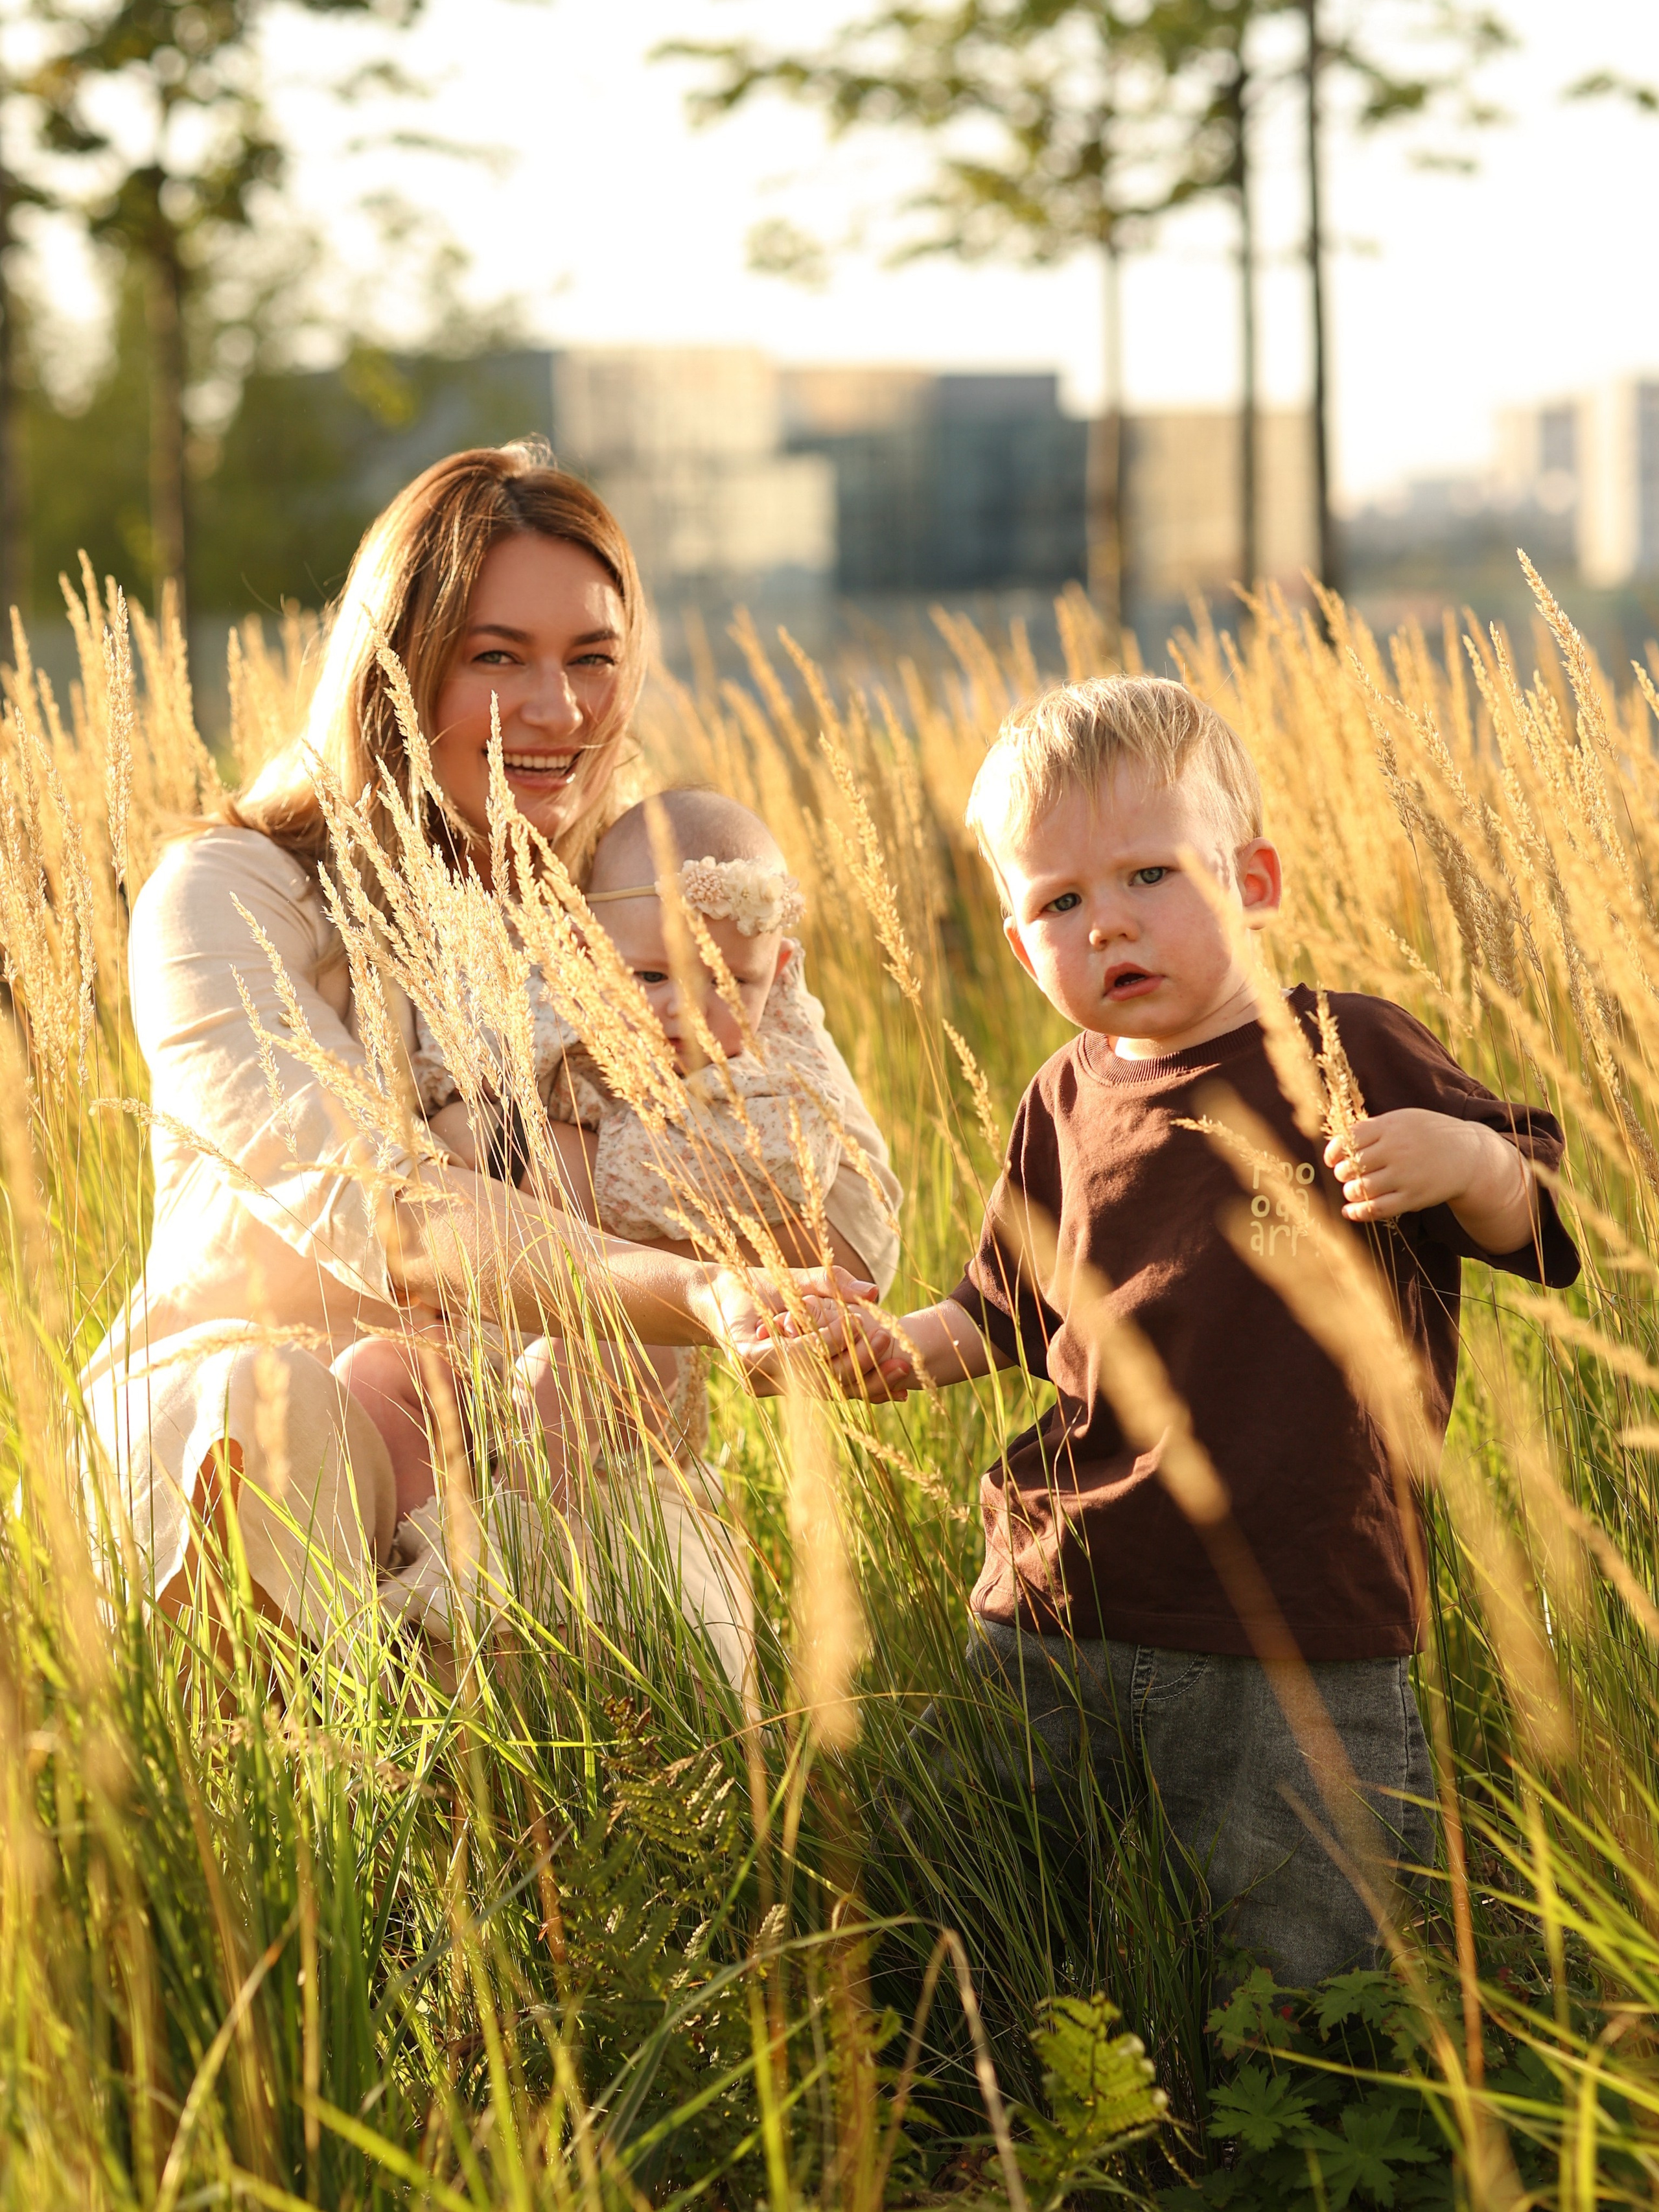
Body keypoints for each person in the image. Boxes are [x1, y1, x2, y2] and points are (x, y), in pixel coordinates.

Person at [80, 441, 898, 1671]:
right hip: (278, 1420)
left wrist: (550, 1160)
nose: (559, 711)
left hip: (547, 1446)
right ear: (398, 667)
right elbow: (389, 1211)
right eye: (497, 656)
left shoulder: (641, 885)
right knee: (277, 1414)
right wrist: (687, 1276)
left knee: (664, 1613)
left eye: (592, 658)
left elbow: (843, 1214)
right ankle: (313, 1768)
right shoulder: (229, 895)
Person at [853, 673, 1579, 1986]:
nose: (1108, 921)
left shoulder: (1346, 1049)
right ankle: (979, 2075)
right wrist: (891, 1350)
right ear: (1019, 944)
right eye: (1059, 902)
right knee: (964, 1902)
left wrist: (1463, 1156)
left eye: (1150, 873)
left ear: (1252, 878)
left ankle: (1287, 2098)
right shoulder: (1060, 1099)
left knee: (1302, 1957)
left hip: (1294, 1620)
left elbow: (1536, 1213)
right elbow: (997, 1307)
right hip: (1060, 1594)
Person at [345, 785, 901, 1508]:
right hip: (491, 1312)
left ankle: (529, 1537)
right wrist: (475, 1119)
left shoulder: (767, 1076)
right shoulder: (547, 1012)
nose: (688, 1009)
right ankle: (434, 1545)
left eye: (731, 981)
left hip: (627, 1326)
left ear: (780, 968)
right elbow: (455, 1103)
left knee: (572, 1366)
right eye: (651, 976)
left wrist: (539, 1153)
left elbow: (785, 1171)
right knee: (373, 1373)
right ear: (585, 954)